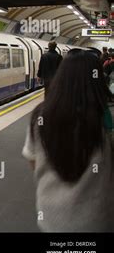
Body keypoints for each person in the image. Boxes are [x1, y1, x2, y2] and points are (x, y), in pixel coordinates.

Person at [22, 49, 114, 232]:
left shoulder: (41, 115)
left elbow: (32, 160)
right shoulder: (104, 116)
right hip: (97, 218)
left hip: (51, 216)